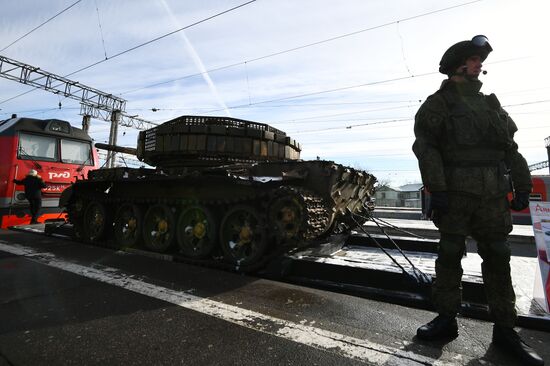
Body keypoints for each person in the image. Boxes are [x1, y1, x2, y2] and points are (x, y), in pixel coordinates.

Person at [412, 35, 544, 366]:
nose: (479, 65)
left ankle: (506, 330)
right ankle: (445, 318)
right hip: (456, 196)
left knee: (499, 258)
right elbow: (426, 148)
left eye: (479, 60)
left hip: (492, 198)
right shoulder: (437, 104)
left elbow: (510, 149)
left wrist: (523, 184)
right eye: (473, 60)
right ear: (458, 65)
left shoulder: (491, 105)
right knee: (449, 257)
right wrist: (437, 190)